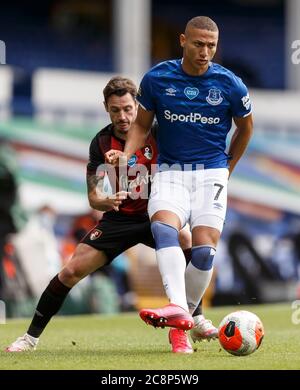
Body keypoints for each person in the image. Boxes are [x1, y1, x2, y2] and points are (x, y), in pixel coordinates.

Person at [6, 76, 216, 354]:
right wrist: (103, 201)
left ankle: (195, 318)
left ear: (137, 106)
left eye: (128, 109)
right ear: (106, 108)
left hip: (159, 214)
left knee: (189, 243)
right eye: (115, 110)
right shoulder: (101, 143)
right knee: (70, 272)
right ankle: (29, 338)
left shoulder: (157, 132)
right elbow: (93, 195)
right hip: (120, 219)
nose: (123, 116)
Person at [106, 17, 253, 352]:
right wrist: (128, 156)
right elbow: (142, 126)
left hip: (211, 173)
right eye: (198, 44)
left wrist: (228, 167)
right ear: (183, 40)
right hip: (171, 171)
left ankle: (180, 319)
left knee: (203, 251)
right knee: (163, 229)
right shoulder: (157, 78)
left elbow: (245, 129)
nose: (205, 52)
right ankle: (179, 312)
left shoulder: (231, 85)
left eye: (211, 46)